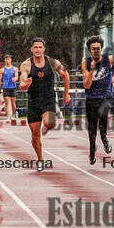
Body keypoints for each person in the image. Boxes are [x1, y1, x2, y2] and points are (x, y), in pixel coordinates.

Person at [19, 38, 70, 172]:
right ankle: (40, 159)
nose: (37, 49)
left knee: (50, 123)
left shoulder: (52, 62)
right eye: (35, 47)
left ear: (44, 49)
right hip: (33, 101)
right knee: (35, 136)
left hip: (48, 99)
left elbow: (65, 74)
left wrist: (66, 94)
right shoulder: (26, 65)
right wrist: (26, 84)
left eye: (40, 47)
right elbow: (21, 84)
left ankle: (47, 126)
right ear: (31, 49)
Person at [81, 36, 114, 165]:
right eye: (93, 49)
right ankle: (92, 150)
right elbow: (86, 85)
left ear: (101, 48)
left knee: (103, 117)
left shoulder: (109, 59)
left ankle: (104, 139)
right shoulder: (85, 63)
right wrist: (92, 70)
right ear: (89, 50)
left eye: (98, 48)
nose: (96, 51)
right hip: (92, 97)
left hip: (106, 95)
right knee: (92, 126)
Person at [0, 54, 18, 123]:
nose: (7, 60)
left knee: (13, 103)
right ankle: (8, 117)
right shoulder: (2, 70)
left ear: (11, 60)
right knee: (6, 102)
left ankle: (13, 115)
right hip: (5, 88)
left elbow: (17, 77)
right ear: (4, 60)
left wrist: (15, 78)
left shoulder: (15, 69)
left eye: (8, 59)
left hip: (13, 88)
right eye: (6, 59)